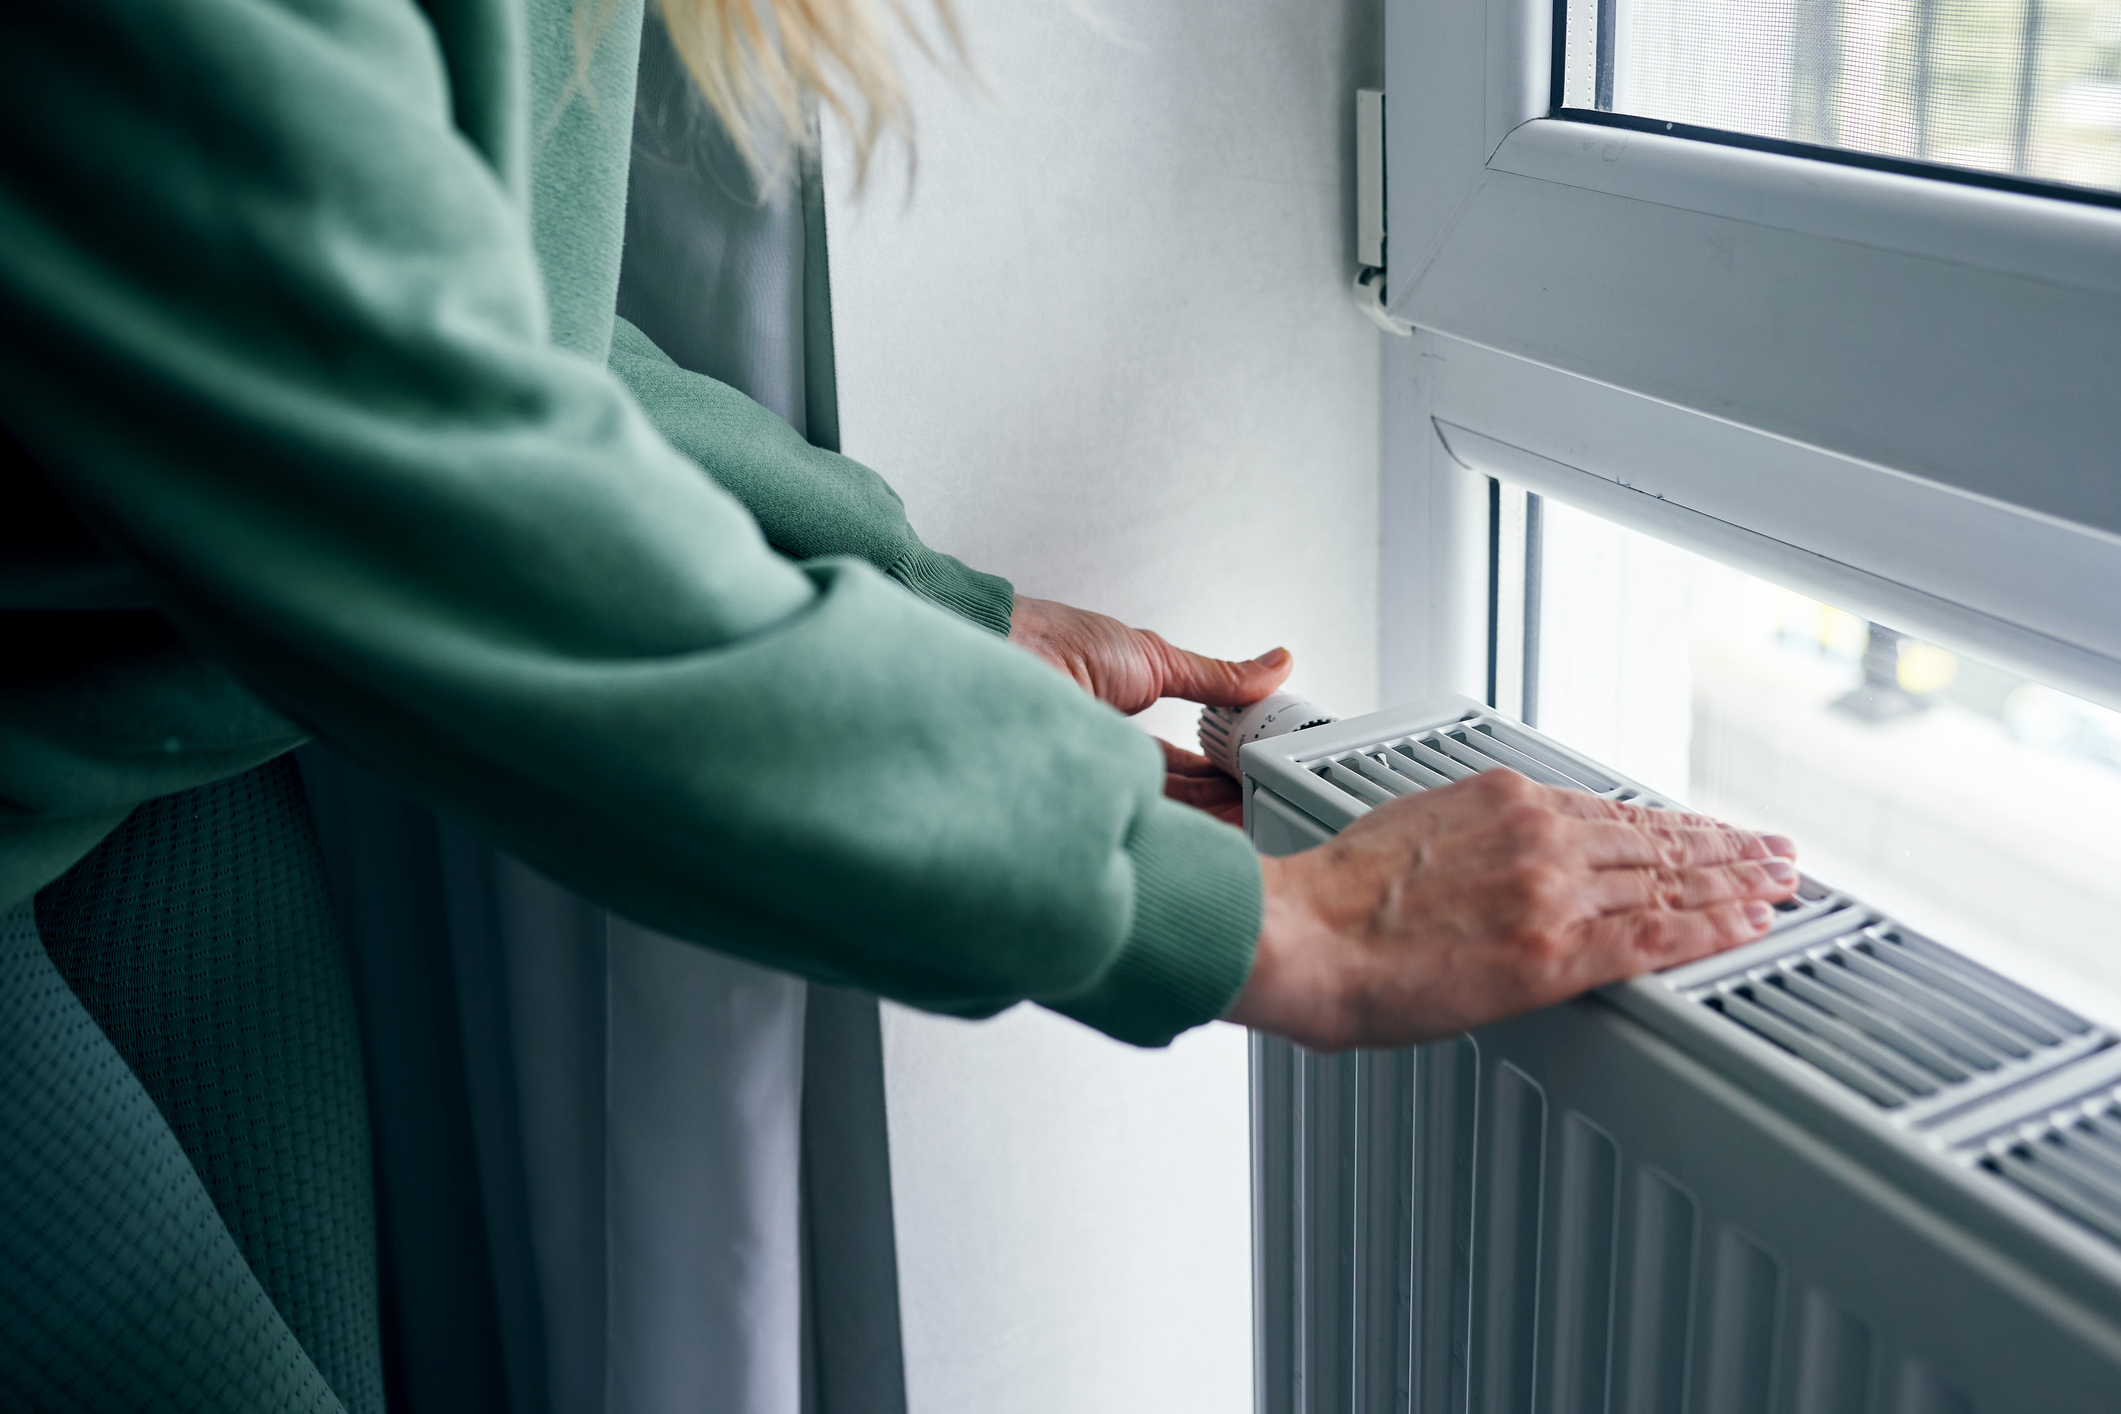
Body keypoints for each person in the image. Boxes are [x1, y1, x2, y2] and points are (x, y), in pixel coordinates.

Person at [0, 0, 1799, 1408]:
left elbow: (487, 334)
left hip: (145, 713)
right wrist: (1278, 925)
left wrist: (948, 610)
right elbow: (425, 485)